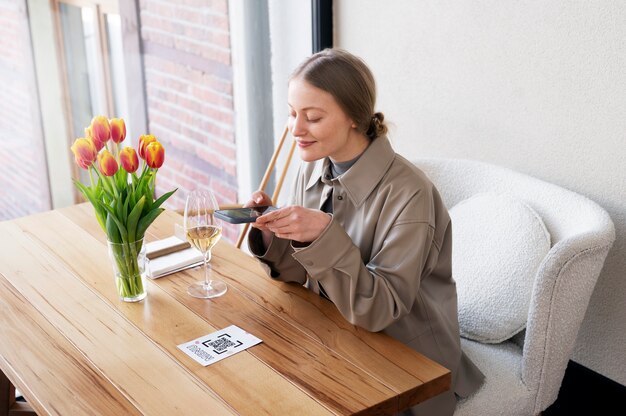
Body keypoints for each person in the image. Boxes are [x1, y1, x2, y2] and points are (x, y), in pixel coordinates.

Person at [245, 48, 484, 415]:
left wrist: (324, 236)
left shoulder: (411, 195)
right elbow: (299, 275)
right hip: (333, 333)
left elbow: (381, 309)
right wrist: (270, 233)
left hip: (406, 360)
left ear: (354, 118)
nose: (296, 129)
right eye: (293, 114)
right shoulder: (313, 167)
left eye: (313, 117)